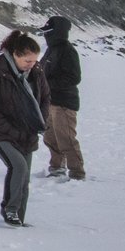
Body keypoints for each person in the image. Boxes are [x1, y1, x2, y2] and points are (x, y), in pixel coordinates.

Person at [0, 30, 50, 227]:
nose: (32, 65)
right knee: (19, 166)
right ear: (15, 54)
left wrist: (41, 121)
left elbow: (44, 98)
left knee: (24, 176)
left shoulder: (36, 71)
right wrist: (10, 130)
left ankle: (19, 219)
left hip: (28, 130)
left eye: (34, 61)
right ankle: (10, 210)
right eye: (27, 61)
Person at [40, 15, 85, 180]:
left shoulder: (67, 50)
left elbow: (74, 77)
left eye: (48, 31)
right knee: (50, 137)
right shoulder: (51, 50)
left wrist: (48, 83)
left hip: (64, 103)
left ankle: (77, 172)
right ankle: (57, 167)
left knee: (65, 138)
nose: (45, 34)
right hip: (49, 102)